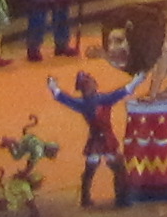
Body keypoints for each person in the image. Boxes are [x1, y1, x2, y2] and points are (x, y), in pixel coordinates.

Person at [49, 63, 131, 207]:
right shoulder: (98, 100)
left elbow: (64, 98)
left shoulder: (85, 103)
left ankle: (89, 198)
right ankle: (120, 198)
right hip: (104, 140)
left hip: (97, 140)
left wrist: (54, 88)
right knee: (116, 168)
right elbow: (120, 93)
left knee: (93, 169)